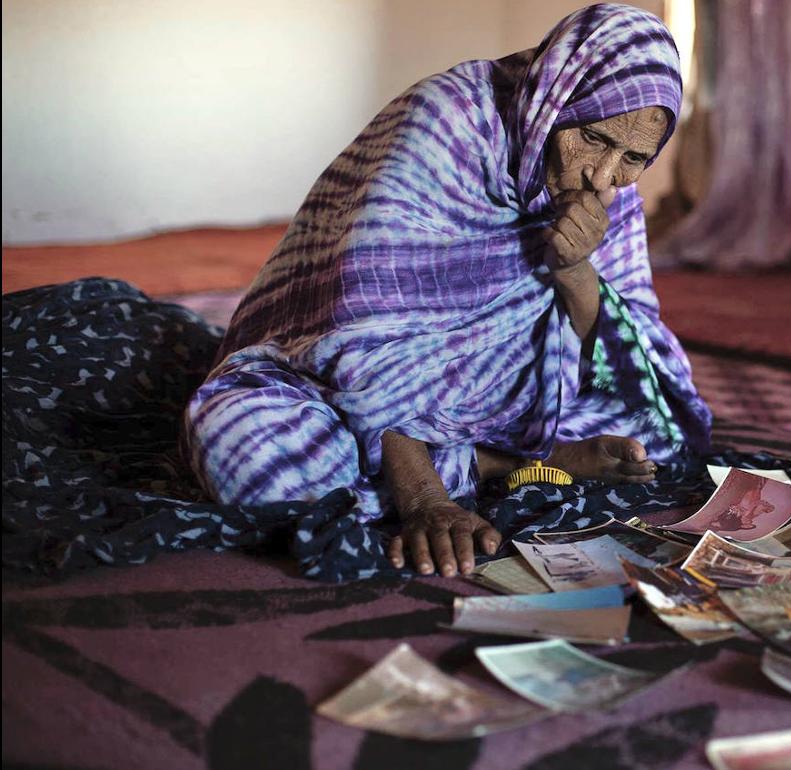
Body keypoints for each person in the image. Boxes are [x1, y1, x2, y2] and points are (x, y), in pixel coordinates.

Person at [182, 5, 711, 578]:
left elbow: (629, 358)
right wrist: (423, 499)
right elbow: (363, 337)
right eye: (592, 137)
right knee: (247, 454)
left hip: (507, 396)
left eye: (634, 159)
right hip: (343, 379)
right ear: (556, 96)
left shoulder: (612, 191)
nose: (603, 176)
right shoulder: (447, 122)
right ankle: (494, 462)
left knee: (656, 434)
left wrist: (576, 268)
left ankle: (489, 455)